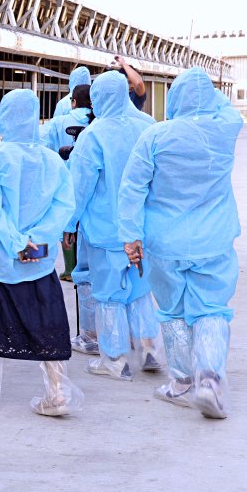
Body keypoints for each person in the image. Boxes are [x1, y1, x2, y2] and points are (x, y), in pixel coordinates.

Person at [119, 67, 243, 418]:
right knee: (212, 309)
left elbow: (132, 189)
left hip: (165, 242)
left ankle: (181, 382)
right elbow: (224, 105)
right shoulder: (226, 128)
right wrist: (206, 94)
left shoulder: (156, 136)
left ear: (174, 99)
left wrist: (130, 235)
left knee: (173, 310)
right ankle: (210, 381)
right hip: (213, 238)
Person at [0, 89, 82, 416]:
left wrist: (15, 243)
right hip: (37, 260)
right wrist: (35, 241)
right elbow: (63, 207)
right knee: (47, 323)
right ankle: (58, 393)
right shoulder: (52, 160)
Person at [64, 70, 162, 380]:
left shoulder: (95, 134)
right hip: (142, 229)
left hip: (106, 230)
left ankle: (115, 358)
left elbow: (81, 185)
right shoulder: (149, 127)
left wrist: (69, 222)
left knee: (107, 294)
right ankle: (149, 348)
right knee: (140, 289)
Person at [45, 83, 93, 281]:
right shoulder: (96, 122)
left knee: (67, 220)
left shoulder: (59, 122)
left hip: (64, 181)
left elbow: (46, 148)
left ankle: (69, 268)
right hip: (90, 181)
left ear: (73, 102)